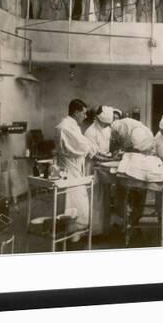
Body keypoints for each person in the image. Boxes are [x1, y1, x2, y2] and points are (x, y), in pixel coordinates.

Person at [54, 99, 99, 241]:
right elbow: (82, 145)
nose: (85, 116)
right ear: (76, 112)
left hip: (74, 167)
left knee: (78, 203)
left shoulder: (73, 126)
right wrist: (94, 149)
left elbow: (84, 143)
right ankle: (71, 238)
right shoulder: (65, 127)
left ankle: (74, 235)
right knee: (74, 202)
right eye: (84, 113)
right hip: (70, 170)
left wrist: (91, 148)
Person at [84, 105, 115, 236]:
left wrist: (111, 156)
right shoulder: (90, 132)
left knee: (105, 198)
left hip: (103, 164)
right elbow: (93, 154)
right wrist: (106, 159)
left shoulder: (107, 129)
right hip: (93, 166)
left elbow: (108, 146)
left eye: (108, 124)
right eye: (104, 123)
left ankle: (104, 228)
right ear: (98, 119)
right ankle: (92, 230)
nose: (106, 125)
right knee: (95, 197)